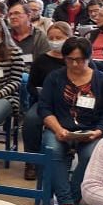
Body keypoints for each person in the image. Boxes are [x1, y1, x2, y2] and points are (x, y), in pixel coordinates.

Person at [39, 36, 103, 205]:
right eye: (70, 59)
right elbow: (44, 108)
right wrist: (58, 129)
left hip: (90, 130)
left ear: (89, 58)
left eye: (80, 60)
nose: (74, 64)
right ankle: (67, 203)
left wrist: (97, 131)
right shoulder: (55, 78)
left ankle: (71, 200)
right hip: (60, 128)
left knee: (92, 155)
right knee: (53, 150)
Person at [22, 22, 73, 181]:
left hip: (70, 103)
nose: (55, 40)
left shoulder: (73, 59)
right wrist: (40, 93)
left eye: (59, 38)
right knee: (30, 120)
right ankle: (31, 161)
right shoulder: (42, 60)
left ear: (68, 38)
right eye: (51, 38)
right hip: (45, 103)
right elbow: (30, 85)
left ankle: (64, 156)